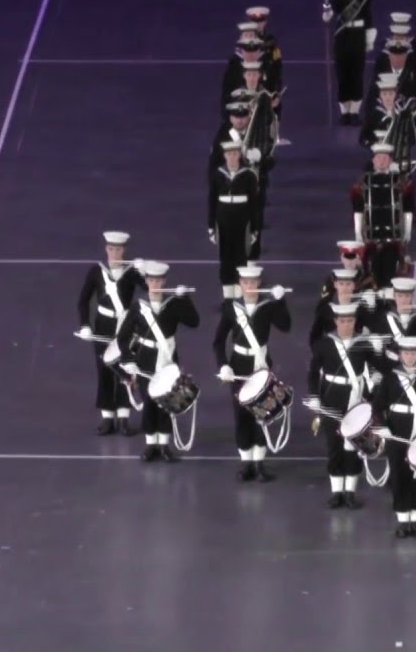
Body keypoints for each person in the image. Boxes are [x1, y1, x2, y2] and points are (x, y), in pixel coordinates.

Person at [112, 262, 200, 463]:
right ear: (147, 282)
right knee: (150, 402)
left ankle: (164, 445)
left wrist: (185, 298)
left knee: (167, 404)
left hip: (168, 361)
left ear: (164, 281)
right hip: (145, 363)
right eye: (151, 280)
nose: (155, 284)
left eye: (159, 280)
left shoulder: (174, 304)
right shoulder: (138, 308)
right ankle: (151, 444)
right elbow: (123, 337)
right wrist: (128, 359)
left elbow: (194, 322)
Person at [214, 265, 291, 481]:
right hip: (238, 365)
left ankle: (259, 462)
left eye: (253, 282)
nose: (249, 286)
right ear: (240, 283)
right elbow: (218, 341)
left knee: (263, 413)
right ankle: (246, 462)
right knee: (241, 415)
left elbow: (286, 326)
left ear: (259, 283)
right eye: (245, 282)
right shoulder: (231, 308)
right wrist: (223, 365)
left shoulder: (267, 307)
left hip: (261, 365)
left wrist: (280, 302)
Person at [307, 302, 382, 508]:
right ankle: (336, 491)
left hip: (356, 398)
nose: (346, 324)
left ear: (354, 321)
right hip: (331, 399)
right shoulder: (324, 344)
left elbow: (376, 364)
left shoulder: (363, 343)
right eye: (342, 321)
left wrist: (376, 375)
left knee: (354, 446)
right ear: (336, 322)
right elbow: (313, 372)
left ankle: (350, 492)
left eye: (350, 320)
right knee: (334, 445)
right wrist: (314, 395)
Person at [76, 231, 146, 435]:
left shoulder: (131, 272)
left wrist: (144, 272)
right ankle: (107, 417)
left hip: (125, 327)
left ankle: (124, 417)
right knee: (104, 369)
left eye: (119, 249)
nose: (115, 253)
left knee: (125, 370)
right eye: (111, 249)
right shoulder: (96, 272)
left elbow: (149, 289)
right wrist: (84, 325)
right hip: (102, 327)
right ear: (106, 249)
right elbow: (82, 301)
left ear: (124, 250)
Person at [373, 336, 416, 537]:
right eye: (406, 353)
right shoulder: (391, 378)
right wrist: (382, 426)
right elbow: (377, 407)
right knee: (400, 477)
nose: (409, 357)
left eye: (413, 353)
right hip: (397, 435)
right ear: (400, 354)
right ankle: (403, 521)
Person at [352, 142, 415, 287]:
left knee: (391, 275)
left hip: (393, 240)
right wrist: (357, 233)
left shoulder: (402, 182)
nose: (381, 161)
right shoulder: (363, 182)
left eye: (385, 158)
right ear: (373, 160)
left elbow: (408, 208)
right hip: (371, 239)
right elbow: (358, 209)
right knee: (372, 273)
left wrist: (407, 231)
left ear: (391, 161)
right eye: (378, 158)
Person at [208, 141, 263, 300]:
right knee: (225, 256)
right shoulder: (218, 175)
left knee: (241, 255)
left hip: (242, 222)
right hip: (223, 221)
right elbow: (211, 201)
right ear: (224, 155)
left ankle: (240, 292)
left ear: (239, 154)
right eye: (229, 154)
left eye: (235, 154)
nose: (232, 157)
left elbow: (254, 204)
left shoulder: (248, 175)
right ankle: (227, 293)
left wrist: (255, 228)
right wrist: (211, 225)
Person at [323, 0, 376, 125]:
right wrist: (326, 9)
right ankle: (344, 112)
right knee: (342, 74)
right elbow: (327, 18)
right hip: (342, 37)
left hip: (358, 36)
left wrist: (369, 40)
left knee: (357, 73)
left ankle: (354, 111)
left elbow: (369, 18)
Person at [367, 276, 416, 367]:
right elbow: (376, 349)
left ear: (412, 296)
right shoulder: (384, 320)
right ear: (394, 296)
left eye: (407, 296)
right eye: (400, 296)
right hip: (391, 367)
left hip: (415, 367)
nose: (403, 300)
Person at [311, 268, 372, 346]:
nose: (344, 288)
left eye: (348, 284)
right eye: (341, 284)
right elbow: (315, 336)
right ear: (335, 285)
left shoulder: (363, 309)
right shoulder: (325, 309)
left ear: (354, 285)